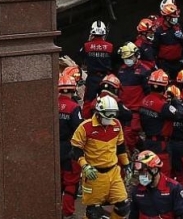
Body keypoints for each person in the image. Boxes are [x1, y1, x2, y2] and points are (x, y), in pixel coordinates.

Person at [70, 95, 131, 219]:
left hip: (113, 172)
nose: (111, 118)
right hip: (94, 175)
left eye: (113, 114)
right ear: (98, 113)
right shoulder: (85, 127)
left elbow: (120, 147)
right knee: (94, 213)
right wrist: (84, 166)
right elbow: (75, 150)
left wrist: (126, 165)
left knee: (123, 206)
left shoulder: (116, 125)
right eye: (108, 114)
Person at [139, 69, 179, 178]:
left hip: (147, 142)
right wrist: (176, 102)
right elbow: (179, 115)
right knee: (162, 175)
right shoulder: (163, 106)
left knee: (147, 173)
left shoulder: (144, 101)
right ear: (165, 87)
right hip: (160, 145)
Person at [130, 150, 183, 219]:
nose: (141, 175)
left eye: (144, 171)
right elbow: (133, 214)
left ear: (155, 170)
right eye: (139, 172)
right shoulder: (137, 191)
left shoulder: (174, 188)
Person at [115, 42, 153, 154]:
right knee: (122, 134)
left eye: (130, 57)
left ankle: (131, 155)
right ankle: (139, 149)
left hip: (136, 109)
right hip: (123, 108)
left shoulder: (144, 71)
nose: (128, 60)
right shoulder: (121, 70)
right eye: (126, 58)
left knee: (129, 134)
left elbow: (148, 92)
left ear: (136, 55)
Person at [59, 74, 84, 219]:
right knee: (71, 182)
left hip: (54, 149)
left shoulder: (51, 104)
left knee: (58, 181)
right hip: (69, 149)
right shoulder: (74, 108)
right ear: (73, 90)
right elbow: (80, 129)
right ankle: (67, 213)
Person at [80, 21, 118, 103]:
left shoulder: (86, 46)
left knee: (89, 101)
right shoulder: (110, 46)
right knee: (108, 101)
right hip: (106, 78)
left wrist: (88, 41)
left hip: (92, 78)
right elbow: (115, 61)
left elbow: (80, 56)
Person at [154, 1, 183, 78]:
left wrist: (182, 38)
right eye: (173, 17)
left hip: (178, 62)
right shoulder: (159, 30)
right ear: (167, 17)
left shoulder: (178, 27)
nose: (176, 19)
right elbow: (155, 48)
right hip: (165, 64)